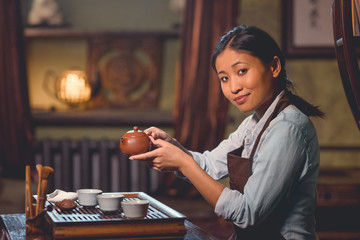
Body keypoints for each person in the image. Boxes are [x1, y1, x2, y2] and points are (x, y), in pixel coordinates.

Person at [130, 25, 324, 240]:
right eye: (224, 78)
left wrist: (183, 162)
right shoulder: (254, 123)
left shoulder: (287, 128)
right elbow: (210, 165)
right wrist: (173, 147)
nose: (233, 87)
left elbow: (246, 214)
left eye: (242, 71)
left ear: (274, 66)